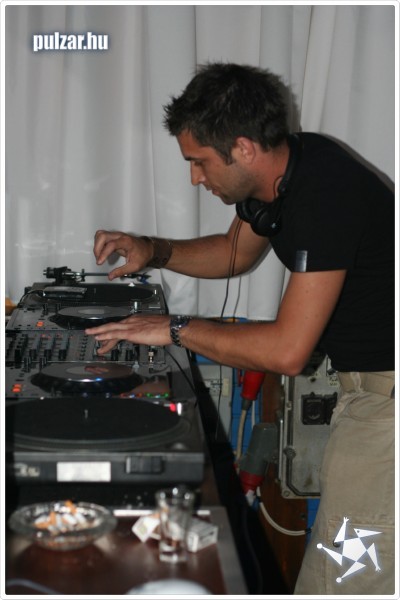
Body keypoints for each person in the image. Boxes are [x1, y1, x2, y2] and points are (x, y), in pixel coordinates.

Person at [86, 63, 395, 595]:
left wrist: (174, 329)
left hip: (386, 407)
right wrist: (151, 250)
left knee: (340, 583)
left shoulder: (326, 192)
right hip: (370, 396)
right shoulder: (290, 173)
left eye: (199, 162)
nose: (195, 178)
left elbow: (288, 351)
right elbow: (233, 253)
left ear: (244, 148)